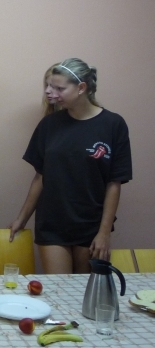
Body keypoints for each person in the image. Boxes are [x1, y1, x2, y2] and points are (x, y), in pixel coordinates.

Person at [9, 58, 132, 273]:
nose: (49, 92)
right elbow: (40, 176)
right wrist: (22, 219)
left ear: (81, 88)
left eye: (59, 88)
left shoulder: (113, 124)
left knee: (83, 290)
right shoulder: (49, 124)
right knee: (58, 288)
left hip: (90, 225)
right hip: (52, 223)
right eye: (49, 86)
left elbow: (114, 183)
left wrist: (104, 233)